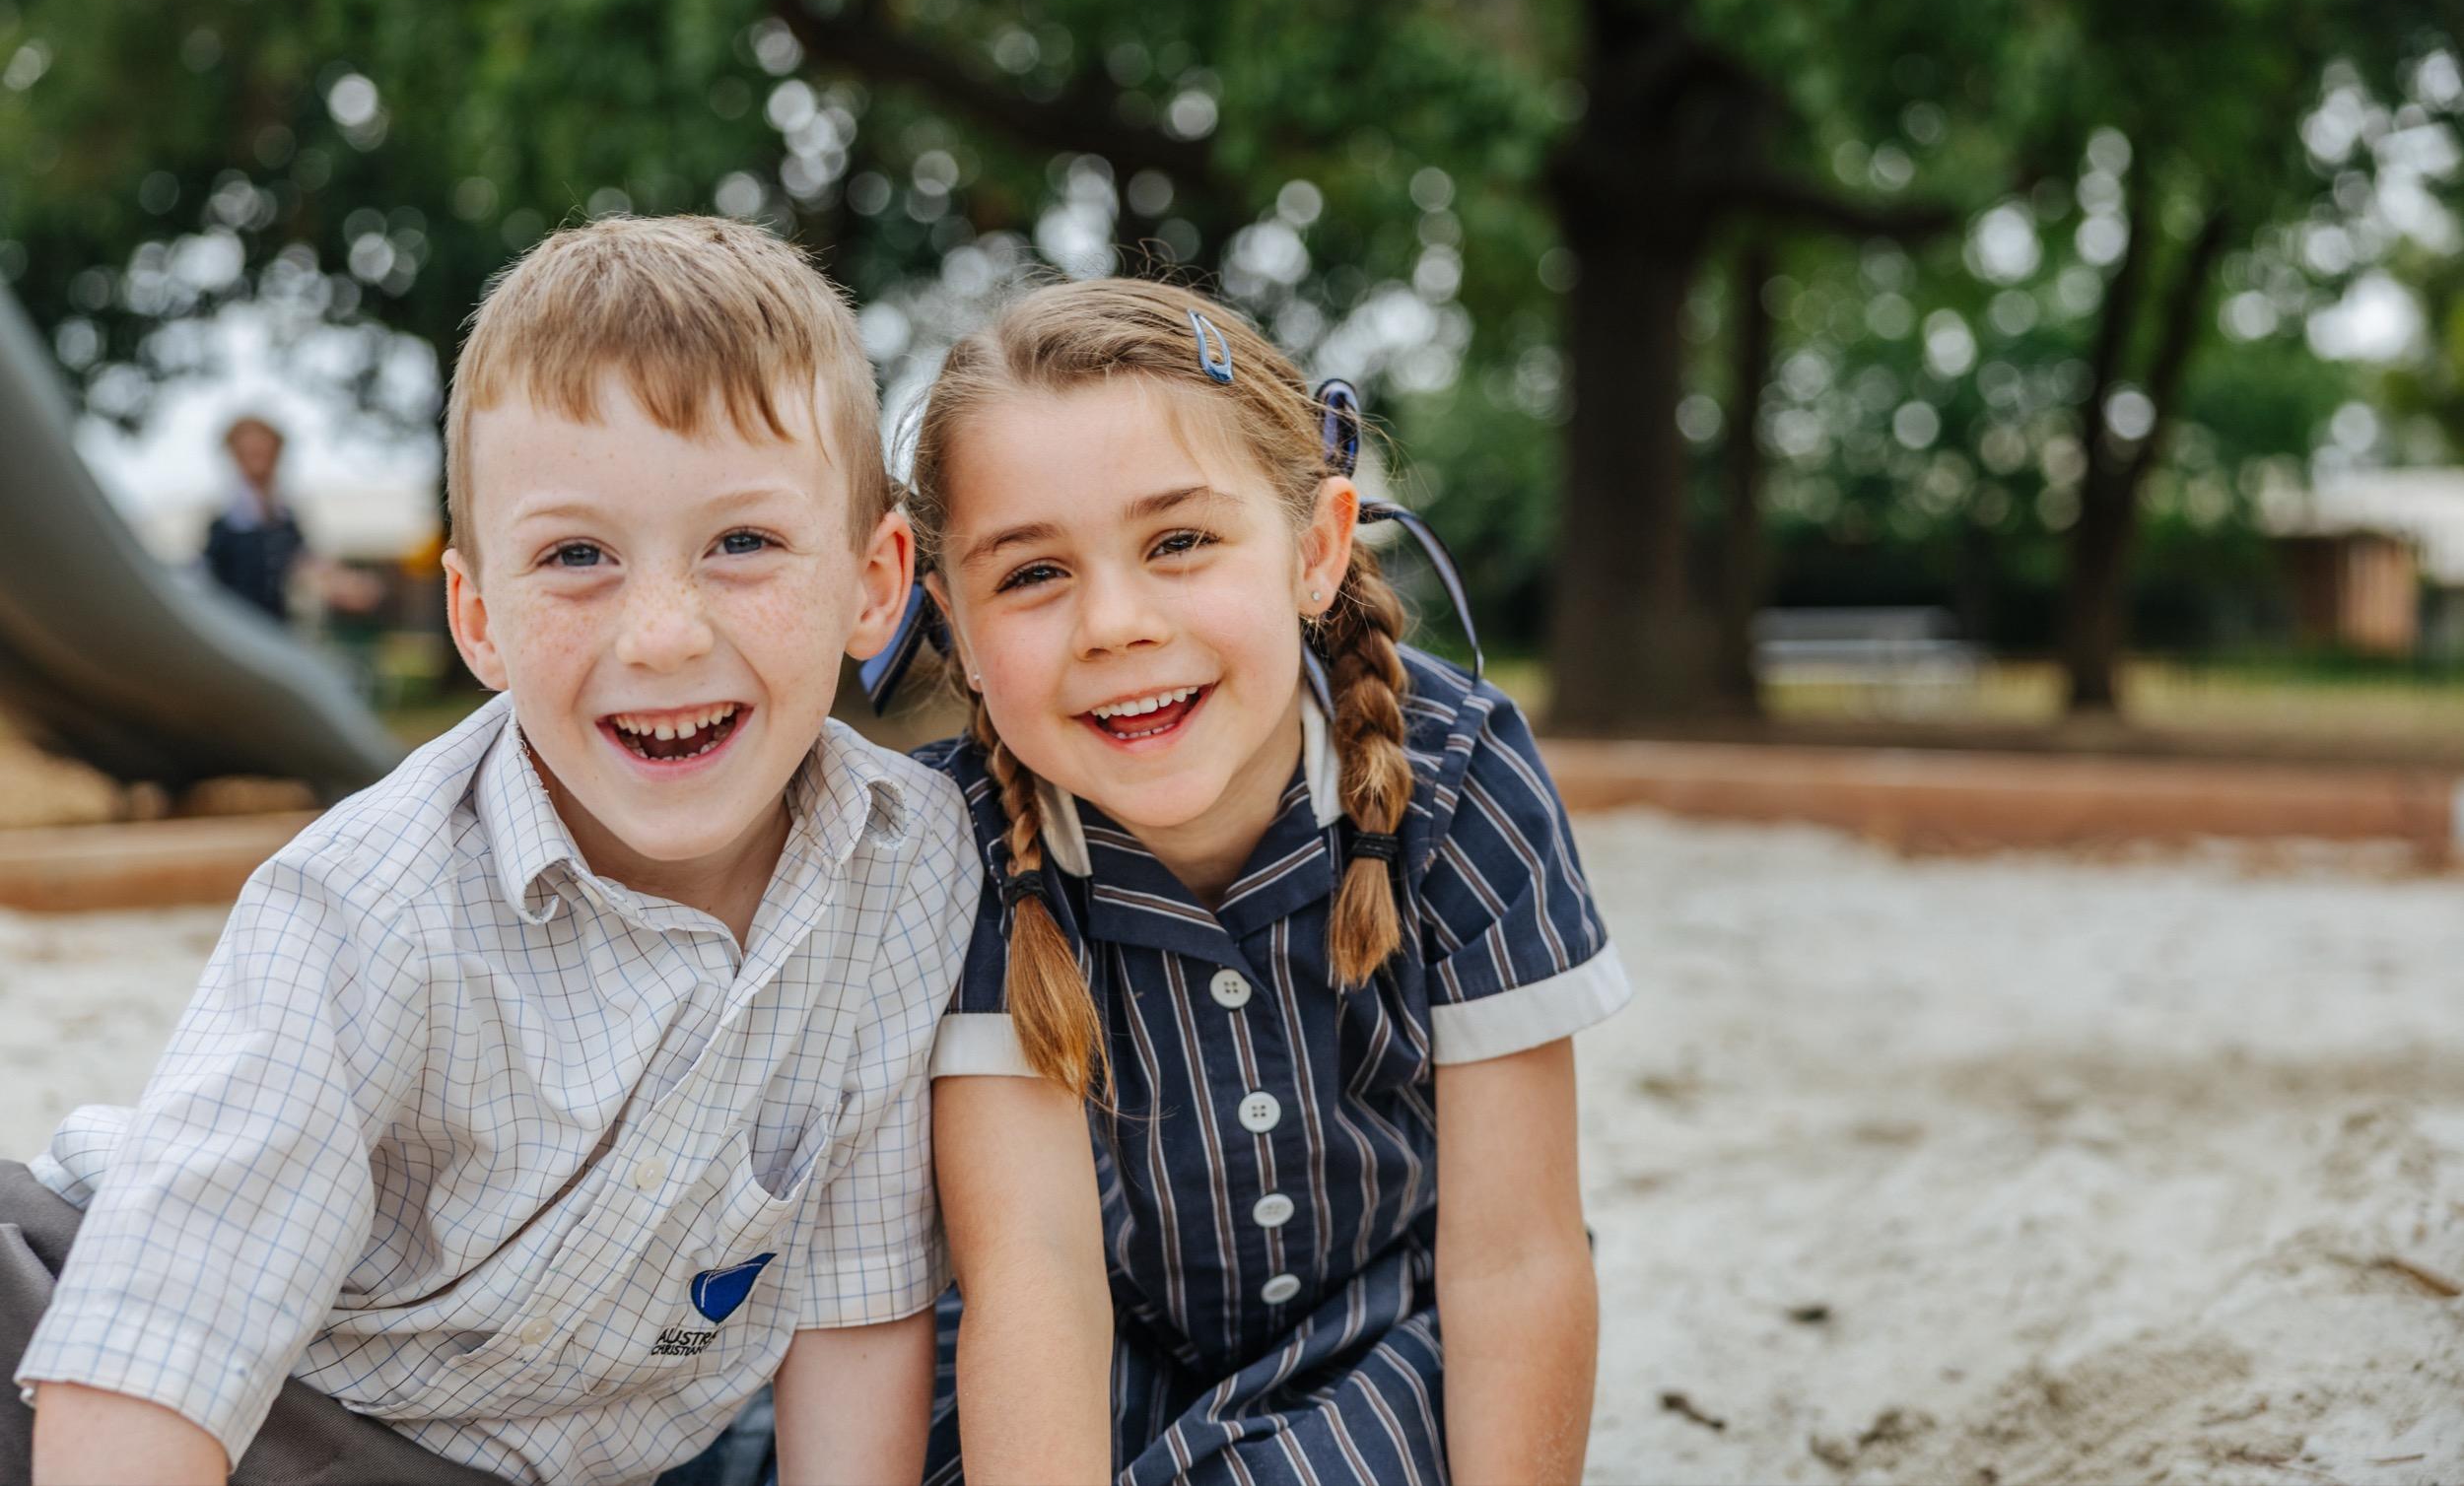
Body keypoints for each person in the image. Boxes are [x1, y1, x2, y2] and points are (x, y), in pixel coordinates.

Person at [3, 216, 975, 1485]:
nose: (665, 633)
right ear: (478, 618)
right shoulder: (370, 898)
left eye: (742, 542)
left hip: (507, 1449)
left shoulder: (907, 869)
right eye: (577, 556)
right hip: (122, 1352)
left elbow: (854, 1314)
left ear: (874, 577)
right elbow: (161, 1333)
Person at [885, 280, 1632, 1484]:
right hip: (1088, 1350)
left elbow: (1517, 1255)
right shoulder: (948, 845)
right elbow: (1038, 1276)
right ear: (956, 624)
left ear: (1317, 548)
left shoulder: (1459, 778)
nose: (1115, 622)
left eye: (1179, 540)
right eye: (1030, 574)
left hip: (1383, 1335)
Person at [202, 415, 308, 622]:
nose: (260, 461)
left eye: (264, 453)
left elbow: (302, 562)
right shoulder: (223, 524)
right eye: (250, 454)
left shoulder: (286, 518)